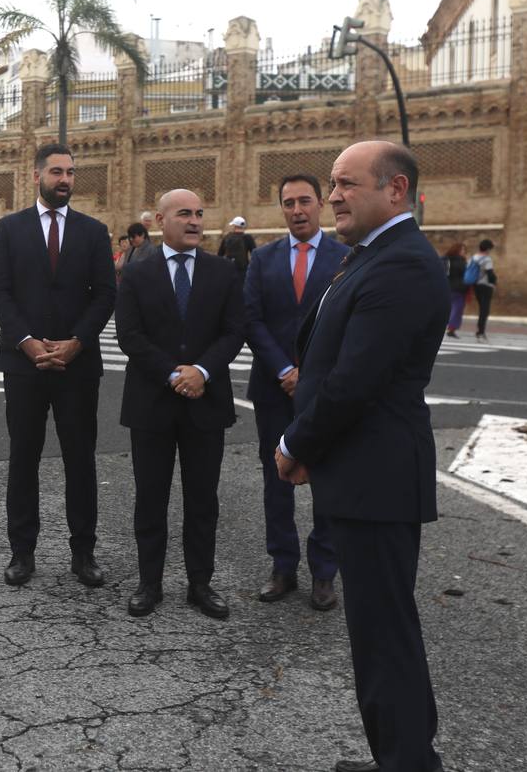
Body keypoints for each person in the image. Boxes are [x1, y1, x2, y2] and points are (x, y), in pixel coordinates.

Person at [275, 141, 448, 772]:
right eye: (333, 184)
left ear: (395, 190)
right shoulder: (371, 255)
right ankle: (401, 756)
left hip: (376, 474)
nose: (335, 195)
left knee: (384, 632)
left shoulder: (400, 264)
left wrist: (296, 443)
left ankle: (406, 763)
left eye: (348, 184)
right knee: (379, 631)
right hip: (362, 471)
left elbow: (356, 380)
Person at [0, 143, 117, 588]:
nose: (66, 180)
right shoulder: (9, 228)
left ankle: (84, 553)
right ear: (37, 175)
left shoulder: (94, 232)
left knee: (80, 460)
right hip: (24, 366)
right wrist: (25, 342)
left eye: (71, 173)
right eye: (57, 171)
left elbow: (104, 294)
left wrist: (77, 342)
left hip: (77, 367)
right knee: (24, 458)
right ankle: (22, 553)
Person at [115, 188, 244, 619]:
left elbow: (233, 332)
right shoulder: (136, 273)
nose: (194, 221)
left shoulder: (222, 271)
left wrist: (201, 371)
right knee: (150, 497)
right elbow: (129, 336)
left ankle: (200, 584)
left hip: (206, 402)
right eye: (184, 213)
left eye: (200, 214)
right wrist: (174, 373)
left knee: (202, 499)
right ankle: (149, 583)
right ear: (159, 219)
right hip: (152, 403)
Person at [243, 173, 347, 611]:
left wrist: (310, 374)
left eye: (305, 201)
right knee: (276, 480)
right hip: (273, 386)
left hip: (325, 392)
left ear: (320, 204)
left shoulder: (347, 258)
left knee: (328, 480)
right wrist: (285, 368)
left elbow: (348, 324)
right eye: (289, 203)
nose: (297, 210)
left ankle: (324, 572)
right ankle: (282, 566)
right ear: (281, 208)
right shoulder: (262, 259)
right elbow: (252, 319)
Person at [469, 238, 497, 341]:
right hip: (485, 286)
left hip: (476, 285)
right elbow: (490, 273)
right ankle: (480, 332)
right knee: (484, 310)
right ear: (488, 249)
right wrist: (493, 283)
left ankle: (480, 330)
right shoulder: (487, 259)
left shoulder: (473, 257)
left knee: (481, 308)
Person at [443, 242, 469, 338]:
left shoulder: (445, 260)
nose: (464, 252)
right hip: (459, 288)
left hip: (446, 287)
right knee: (457, 309)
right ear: (457, 250)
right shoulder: (461, 262)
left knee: (448, 309)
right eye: (463, 250)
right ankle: (451, 328)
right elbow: (466, 275)